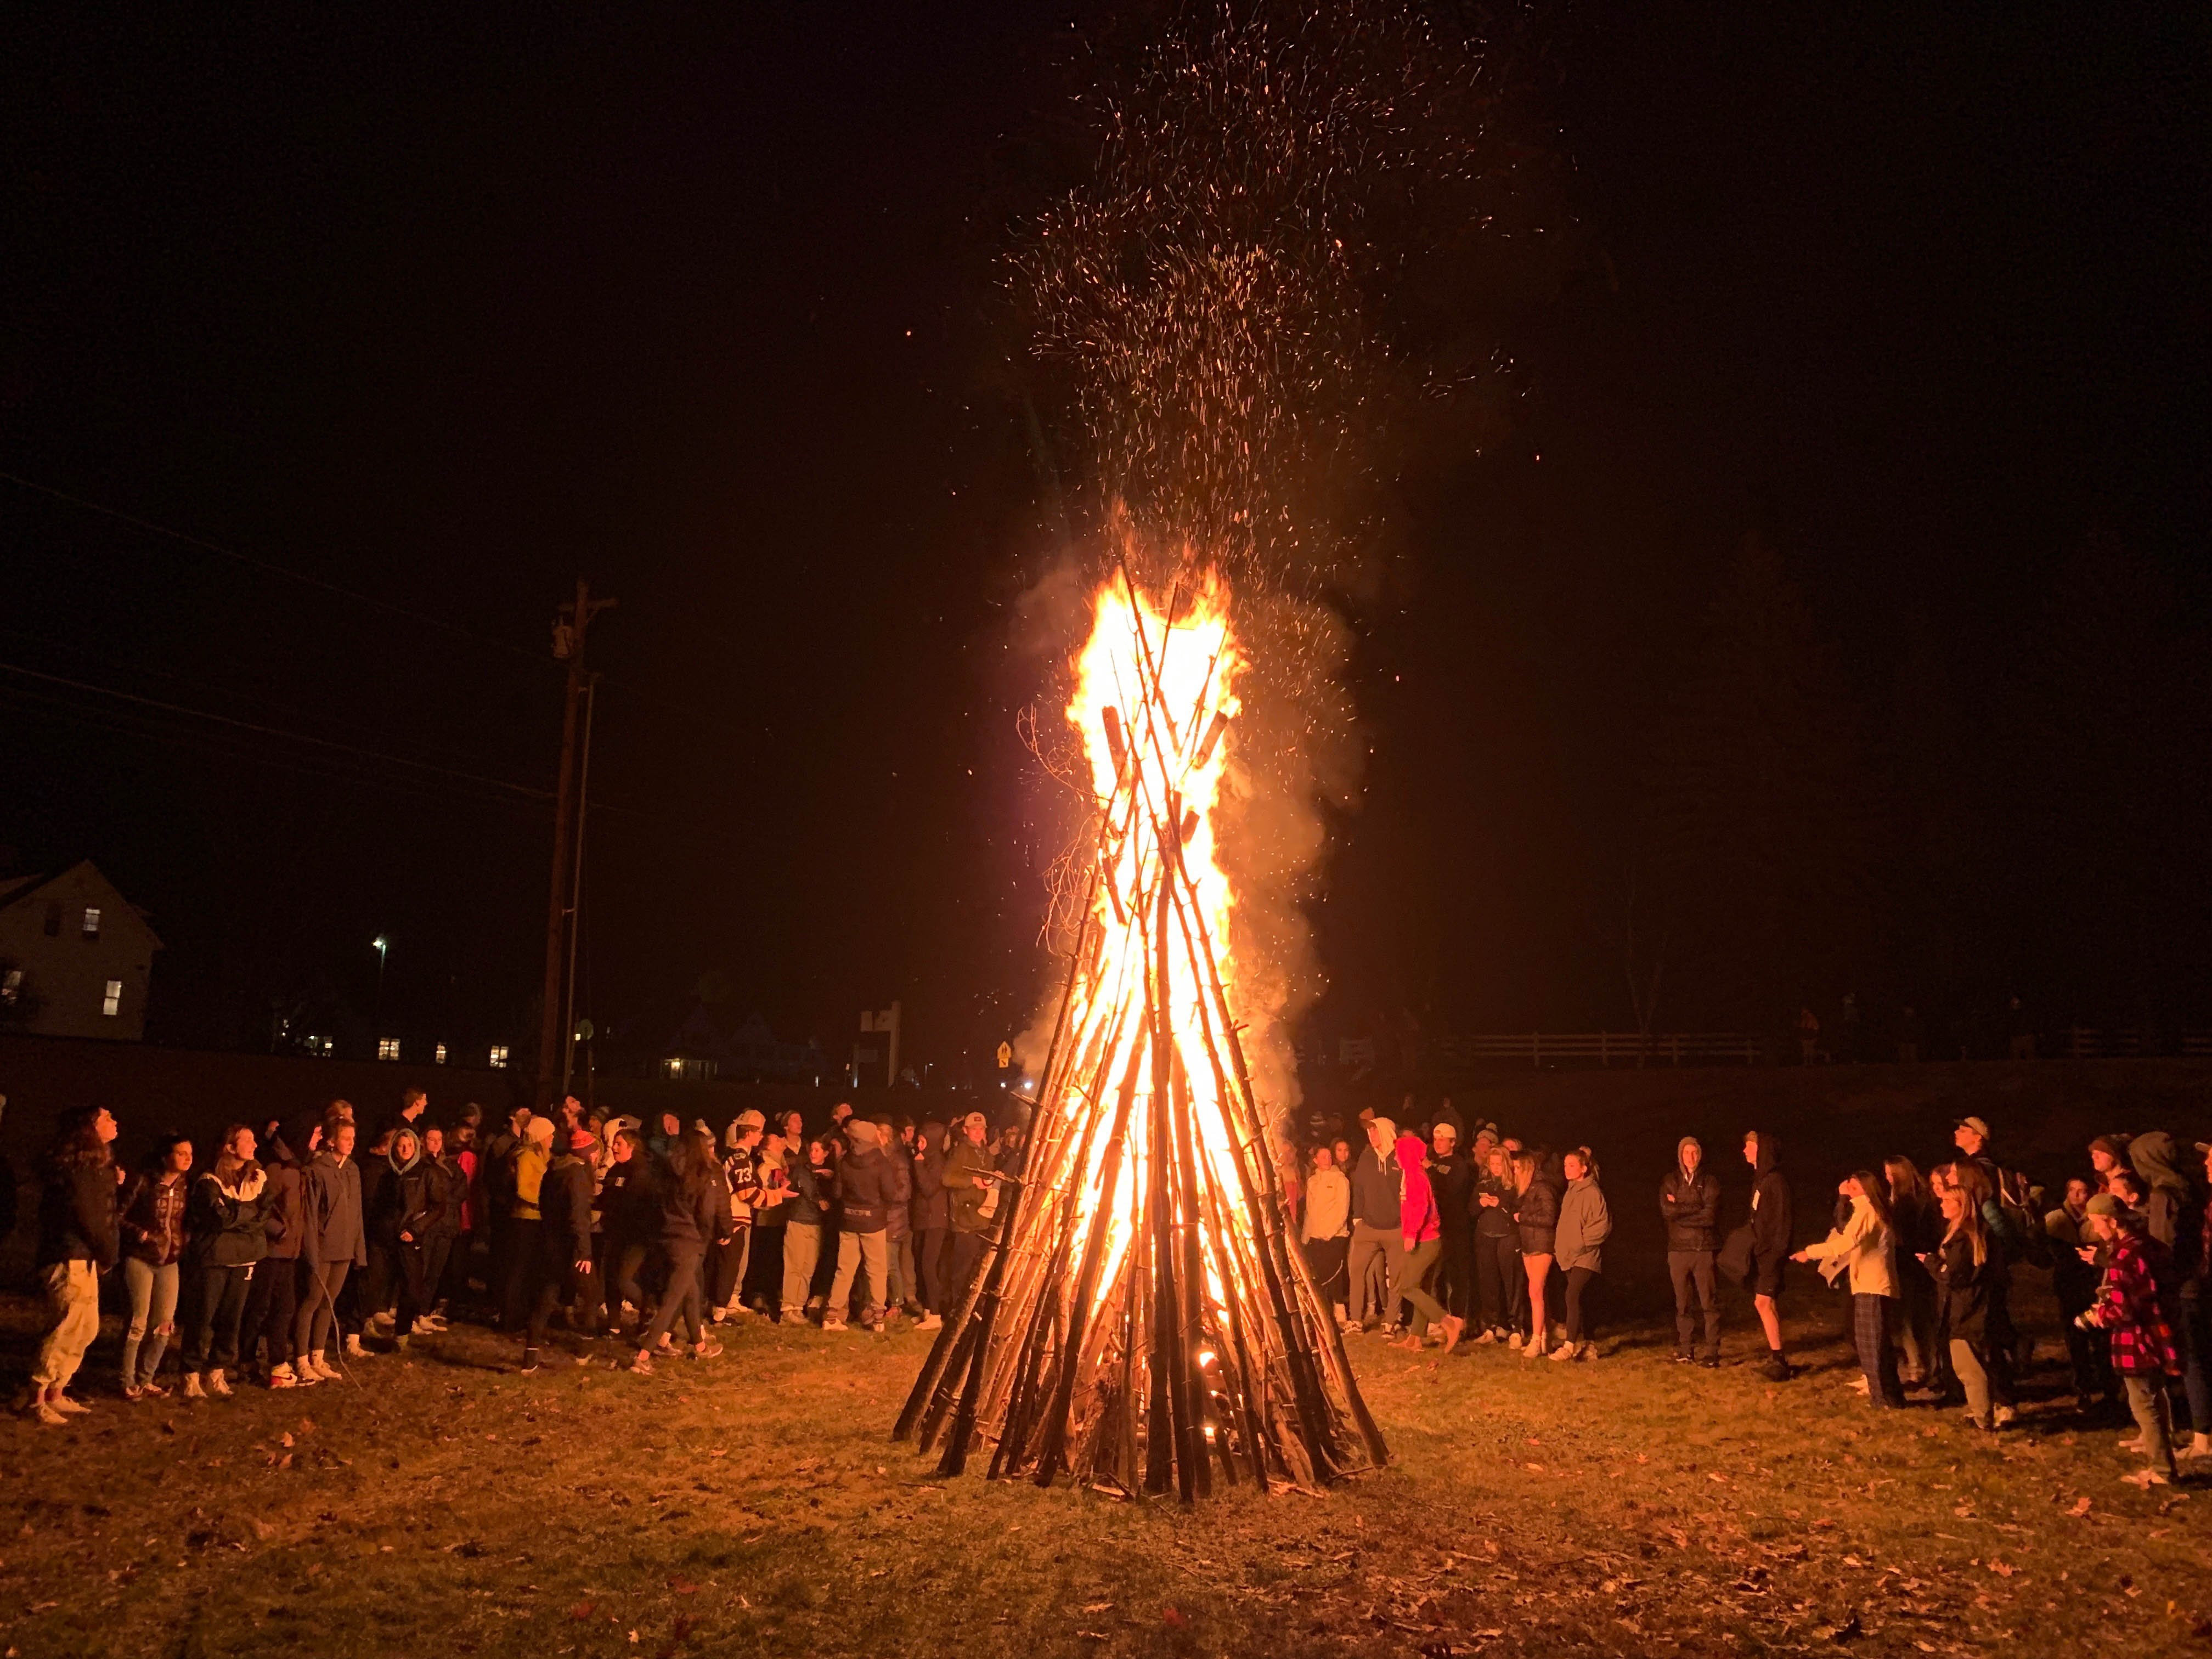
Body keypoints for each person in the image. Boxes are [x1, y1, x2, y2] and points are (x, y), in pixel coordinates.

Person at [2075, 1193, 2182, 1483]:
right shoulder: (2146, 1244)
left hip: (2135, 1339)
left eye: (2098, 1223)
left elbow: (2124, 1306)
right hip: (2157, 1331)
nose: (2096, 1229)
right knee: (2156, 1397)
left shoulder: (2124, 1254)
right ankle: (2164, 1459)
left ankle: (2161, 1469)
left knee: (2144, 1403)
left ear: (2111, 1221)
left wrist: (2097, 1316)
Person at [23, 1106, 120, 1423]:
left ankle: (58, 1391)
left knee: (86, 1327)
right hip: (70, 1256)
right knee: (67, 1327)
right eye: (107, 1118)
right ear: (89, 1128)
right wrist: (107, 1252)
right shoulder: (81, 1169)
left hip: (84, 1257)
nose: (114, 1122)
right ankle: (37, 1396)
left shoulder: (94, 1166)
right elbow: (89, 1217)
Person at [1794, 1171, 1905, 1407]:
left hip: (1872, 1285)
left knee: (1871, 1344)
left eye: (1854, 1184)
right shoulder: (1868, 1209)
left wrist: (1810, 1253)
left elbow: (1845, 1243)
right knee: (1875, 1343)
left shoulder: (1867, 1211)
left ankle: (1883, 1398)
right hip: (1871, 1284)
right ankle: (1889, 1397)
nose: (1848, 1186)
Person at [180, 1124, 268, 1398]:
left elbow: (263, 1215)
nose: (254, 1145)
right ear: (231, 1147)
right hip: (214, 1259)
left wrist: (237, 1213)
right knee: (203, 1317)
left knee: (232, 1319)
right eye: (248, 1141)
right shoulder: (209, 1181)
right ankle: (191, 1374)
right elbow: (219, 1219)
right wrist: (245, 1214)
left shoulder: (258, 1179)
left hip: (245, 1258)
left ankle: (217, 1372)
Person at [1926, 1179, 2015, 1432]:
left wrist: (1932, 1263)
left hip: (1966, 1310)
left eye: (1947, 1201)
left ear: (1961, 1206)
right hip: (1977, 1308)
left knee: (1969, 1368)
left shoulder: (1965, 1238)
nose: (1941, 1204)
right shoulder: (1974, 1234)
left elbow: (1953, 1275)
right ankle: (1983, 1411)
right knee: (1976, 1363)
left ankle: (1982, 1417)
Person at [633, 1131, 727, 1370]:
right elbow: (706, 1214)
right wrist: (703, 1237)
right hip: (688, 1241)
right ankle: (643, 1357)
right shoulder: (701, 1176)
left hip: (667, 1238)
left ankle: (700, 1346)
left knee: (691, 1292)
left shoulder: (668, 1174)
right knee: (672, 1301)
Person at [116, 1132, 193, 1399]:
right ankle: (127, 1379)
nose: (187, 1159)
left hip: (169, 1261)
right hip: (141, 1258)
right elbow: (118, 1217)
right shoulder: (145, 1182)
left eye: (190, 1154)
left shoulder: (185, 1185)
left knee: (164, 1323)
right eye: (181, 1153)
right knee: (139, 1320)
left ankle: (146, 1377)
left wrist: (183, 1242)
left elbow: (186, 1221)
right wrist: (143, 1235)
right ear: (165, 1156)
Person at [523, 1128, 603, 1373]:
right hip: (571, 1248)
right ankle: (586, 1350)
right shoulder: (577, 1174)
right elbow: (579, 1216)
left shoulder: (553, 1171)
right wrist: (585, 1253)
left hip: (551, 1245)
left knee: (547, 1298)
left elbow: (545, 1207)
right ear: (589, 1154)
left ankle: (530, 1357)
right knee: (592, 1296)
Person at [295, 1114, 365, 1382]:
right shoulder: (317, 1169)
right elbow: (310, 1216)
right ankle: (301, 1359)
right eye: (345, 1138)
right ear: (332, 1140)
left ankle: (318, 1356)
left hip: (344, 1249)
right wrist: (311, 1253)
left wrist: (359, 1250)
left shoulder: (352, 1170)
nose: (350, 1143)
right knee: (312, 1301)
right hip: (323, 1249)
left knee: (329, 1304)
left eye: (353, 1139)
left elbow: (357, 1212)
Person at [250, 1116, 316, 1387]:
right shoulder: (277, 1169)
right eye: (313, 1136)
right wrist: (279, 1230)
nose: (317, 1142)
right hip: (270, 1252)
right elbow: (257, 1206)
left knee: (285, 1309)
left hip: (289, 1253)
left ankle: (278, 1365)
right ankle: (247, 1360)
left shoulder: (299, 1169)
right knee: (261, 1310)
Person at [2046, 1176, 2117, 1415]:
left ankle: (2109, 1390)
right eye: (2073, 1191)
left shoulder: (2096, 1218)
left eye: (2083, 1191)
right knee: (2075, 1340)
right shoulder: (2055, 1219)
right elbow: (2040, 1245)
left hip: (2093, 1284)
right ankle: (2083, 1390)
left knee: (2100, 1338)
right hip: (2068, 1285)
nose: (2078, 1196)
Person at [1385, 1130, 1454, 1352]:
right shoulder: (1412, 1174)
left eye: (1398, 1153)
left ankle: (1447, 1322)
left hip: (1425, 1240)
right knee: (1421, 1287)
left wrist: (1410, 1234)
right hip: (1427, 1239)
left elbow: (1419, 1207)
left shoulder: (1415, 1175)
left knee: (1407, 1286)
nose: (1395, 1156)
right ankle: (1415, 1338)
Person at [826, 1119, 893, 1332]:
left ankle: (832, 1315)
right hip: (874, 1222)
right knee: (877, 1270)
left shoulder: (844, 1161)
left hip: (848, 1220)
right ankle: (877, 1318)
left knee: (844, 1269)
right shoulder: (881, 1162)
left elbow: (836, 1193)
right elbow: (891, 1193)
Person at [1660, 1136, 1721, 1366]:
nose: (1691, 1157)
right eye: (1686, 1153)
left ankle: (1713, 1351)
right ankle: (1686, 1350)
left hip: (1703, 1248)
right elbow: (1667, 1211)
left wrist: (1681, 1212)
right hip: (1677, 1250)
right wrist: (1695, 1208)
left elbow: (1710, 1216)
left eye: (1694, 1152)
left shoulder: (1710, 1181)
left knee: (1709, 1303)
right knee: (1682, 1303)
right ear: (1680, 1155)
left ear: (1700, 1154)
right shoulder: (1670, 1180)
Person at [1884, 1156, 1941, 1389]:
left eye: (1889, 1173)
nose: (1887, 1178)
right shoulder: (1923, 1198)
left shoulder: (1905, 1202)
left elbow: (1904, 1236)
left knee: (1910, 1320)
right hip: (1922, 1264)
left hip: (1910, 1265)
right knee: (1924, 1319)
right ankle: (1934, 1366)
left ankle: (1919, 1367)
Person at [1742, 1130, 1794, 1380]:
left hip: (1771, 1255)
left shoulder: (1775, 1182)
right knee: (1764, 1303)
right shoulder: (1761, 1180)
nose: (1744, 1151)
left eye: (1750, 1147)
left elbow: (1783, 1222)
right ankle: (1777, 1357)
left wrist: (1776, 1254)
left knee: (1763, 1302)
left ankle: (1779, 1359)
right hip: (1762, 1254)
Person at [1346, 1117, 1405, 1334]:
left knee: (1396, 1277)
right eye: (1369, 1131)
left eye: (1376, 1131)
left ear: (1388, 1133)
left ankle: (1391, 1321)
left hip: (1396, 1228)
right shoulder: (1367, 1157)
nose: (1371, 1135)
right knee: (1357, 1271)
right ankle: (1355, 1320)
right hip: (1368, 1228)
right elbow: (1359, 1187)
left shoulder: (1400, 1158)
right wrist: (1357, 1218)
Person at [1551, 1147, 1611, 1362]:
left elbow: (1602, 1226)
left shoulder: (1592, 1193)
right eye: (1566, 1165)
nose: (1567, 1169)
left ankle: (1568, 1346)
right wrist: (1561, 1248)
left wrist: (1580, 1244)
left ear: (1584, 1169)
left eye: (1572, 1166)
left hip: (1586, 1256)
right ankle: (1590, 1345)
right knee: (1582, 1300)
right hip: (1569, 1255)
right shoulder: (1570, 1192)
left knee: (1572, 1295)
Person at [712, 1111, 766, 1322]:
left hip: (728, 1215)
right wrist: (775, 1196)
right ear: (750, 1133)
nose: (761, 1137)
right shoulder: (742, 1158)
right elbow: (747, 1194)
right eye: (759, 1132)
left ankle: (718, 1305)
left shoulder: (731, 1155)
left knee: (724, 1263)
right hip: (735, 1217)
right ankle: (720, 1311)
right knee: (730, 1264)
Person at [941, 1113, 997, 1308]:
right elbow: (947, 1179)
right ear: (965, 1131)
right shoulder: (962, 1151)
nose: (978, 1133)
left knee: (977, 1269)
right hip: (965, 1220)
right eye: (974, 1129)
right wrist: (972, 1181)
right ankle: (957, 1309)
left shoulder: (986, 1152)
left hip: (982, 1218)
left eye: (981, 1129)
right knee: (961, 1270)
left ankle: (972, 1308)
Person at [1470, 1142, 1522, 1344]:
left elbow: (1519, 1209)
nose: (1496, 1167)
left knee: (1511, 1283)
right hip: (1485, 1236)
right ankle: (1492, 1326)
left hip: (1508, 1236)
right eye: (1492, 1164)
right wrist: (1480, 1204)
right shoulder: (1483, 1184)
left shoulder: (1514, 1185)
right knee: (1488, 1282)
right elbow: (1471, 1209)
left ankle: (1516, 1327)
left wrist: (1501, 1205)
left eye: (1499, 1163)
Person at [1511, 1148, 1560, 1359]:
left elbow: (1550, 1218)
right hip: (1529, 1243)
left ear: (1527, 1168)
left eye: (1516, 1169)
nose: (1514, 1173)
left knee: (1535, 1291)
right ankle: (1544, 1338)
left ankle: (1536, 1339)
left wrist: (1523, 1218)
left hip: (1542, 1244)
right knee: (1538, 1292)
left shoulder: (1543, 1188)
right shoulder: (1529, 1188)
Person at [1426, 1122, 1475, 1324]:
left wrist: (1432, 1172)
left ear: (1453, 1142)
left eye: (1443, 1139)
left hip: (1456, 1228)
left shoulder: (1459, 1165)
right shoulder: (1433, 1162)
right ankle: (1440, 1320)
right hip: (1437, 1227)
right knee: (1436, 1276)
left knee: (1457, 1277)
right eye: (1436, 1139)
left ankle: (1458, 1320)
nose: (1438, 1143)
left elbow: (1453, 1191)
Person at [416, 1124, 464, 1334]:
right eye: (431, 1139)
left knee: (435, 1272)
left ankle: (423, 1312)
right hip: (428, 1225)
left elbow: (462, 1189)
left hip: (447, 1224)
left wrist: (445, 1200)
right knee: (421, 1270)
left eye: (439, 1139)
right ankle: (412, 1314)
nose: (435, 1143)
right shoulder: (421, 1164)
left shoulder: (451, 1166)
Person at [780, 1136, 832, 1323]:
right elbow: (806, 1189)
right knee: (794, 1264)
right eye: (812, 1150)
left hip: (817, 1223)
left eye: (818, 1150)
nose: (813, 1153)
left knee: (808, 1267)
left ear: (826, 1153)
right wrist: (819, 1199)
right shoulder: (802, 1171)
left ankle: (798, 1306)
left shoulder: (829, 1175)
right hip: (799, 1219)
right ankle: (787, 1307)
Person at [1301, 1145, 1352, 1324]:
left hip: (1335, 1235)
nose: (1327, 1160)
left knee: (1335, 1275)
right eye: (1323, 1157)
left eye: (1329, 1157)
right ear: (1315, 1160)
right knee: (1320, 1275)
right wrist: (1307, 1236)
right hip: (1316, 1235)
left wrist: (1331, 1232)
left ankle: (1341, 1314)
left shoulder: (1340, 1179)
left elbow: (1342, 1209)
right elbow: (1310, 1211)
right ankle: (1324, 1314)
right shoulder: (1313, 1181)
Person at [911, 1120, 950, 1329]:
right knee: (920, 1264)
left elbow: (928, 1188)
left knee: (929, 1265)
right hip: (922, 1220)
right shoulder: (925, 1158)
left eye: (923, 1141)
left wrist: (918, 1164)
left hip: (935, 1220)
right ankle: (927, 1309)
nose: (919, 1145)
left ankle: (935, 1314)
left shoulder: (937, 1162)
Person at [879, 1116, 918, 1318]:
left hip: (894, 1219)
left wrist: (884, 1197)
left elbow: (905, 1192)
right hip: (883, 1218)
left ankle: (896, 1303)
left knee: (890, 1263)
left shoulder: (897, 1160)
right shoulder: (883, 1157)